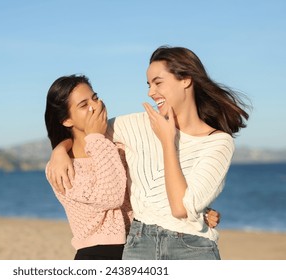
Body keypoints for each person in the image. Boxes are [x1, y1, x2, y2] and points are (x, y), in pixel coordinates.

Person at [46, 46, 249, 260]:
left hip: (189, 246)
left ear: (186, 79)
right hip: (137, 245)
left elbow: (177, 205)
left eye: (158, 82)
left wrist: (198, 211)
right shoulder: (136, 125)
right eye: (149, 84)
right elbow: (90, 134)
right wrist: (60, 149)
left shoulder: (218, 142)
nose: (150, 92)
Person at [44, 74, 132, 260]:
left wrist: (195, 212)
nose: (96, 106)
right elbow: (111, 196)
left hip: (140, 247)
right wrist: (95, 138)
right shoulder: (62, 168)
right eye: (83, 105)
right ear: (67, 120)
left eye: (95, 97)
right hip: (97, 254)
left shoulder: (119, 145)